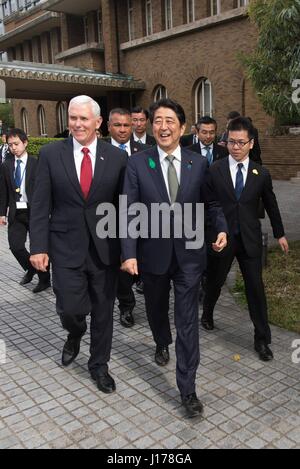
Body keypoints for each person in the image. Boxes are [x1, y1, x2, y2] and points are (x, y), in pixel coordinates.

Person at [121, 98, 228, 418]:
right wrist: (128, 253)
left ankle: (188, 389)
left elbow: (211, 204)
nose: (163, 126)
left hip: (189, 257)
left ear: (183, 128)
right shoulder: (138, 163)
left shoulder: (198, 163)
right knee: (155, 308)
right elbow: (128, 211)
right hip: (151, 256)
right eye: (157, 121)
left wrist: (220, 228)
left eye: (170, 121)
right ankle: (160, 341)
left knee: (187, 322)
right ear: (151, 127)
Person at [29, 96, 127, 394]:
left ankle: (99, 365)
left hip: (104, 250)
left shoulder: (117, 158)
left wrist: (129, 251)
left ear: (98, 123)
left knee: (102, 311)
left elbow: (124, 207)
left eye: (84, 119)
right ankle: (75, 332)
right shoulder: (50, 154)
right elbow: (40, 204)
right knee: (71, 308)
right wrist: (38, 246)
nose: (77, 124)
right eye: (73, 118)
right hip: (64, 246)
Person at [201, 117, 289, 362]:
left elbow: (271, 204)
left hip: (249, 239)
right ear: (225, 142)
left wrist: (279, 233)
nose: (236, 147)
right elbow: (208, 204)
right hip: (223, 238)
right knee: (215, 281)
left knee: (255, 289)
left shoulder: (261, 173)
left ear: (251, 143)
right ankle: (207, 313)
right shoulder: (215, 169)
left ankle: (262, 339)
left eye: (241, 142)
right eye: (231, 142)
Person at [107, 108, 148, 328]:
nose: (123, 130)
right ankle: (126, 306)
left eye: (126, 125)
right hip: (112, 219)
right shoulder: (100, 151)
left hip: (144, 218)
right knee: (122, 264)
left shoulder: (145, 151)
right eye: (118, 125)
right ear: (108, 126)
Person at [0, 129, 51, 293]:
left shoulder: (37, 164)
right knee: (15, 247)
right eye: (10, 145)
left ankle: (44, 280)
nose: (13, 148)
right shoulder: (6, 165)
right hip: (16, 212)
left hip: (35, 213)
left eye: (16, 144)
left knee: (40, 248)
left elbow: (46, 190)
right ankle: (31, 268)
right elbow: (3, 191)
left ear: (25, 143)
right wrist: (2, 213)